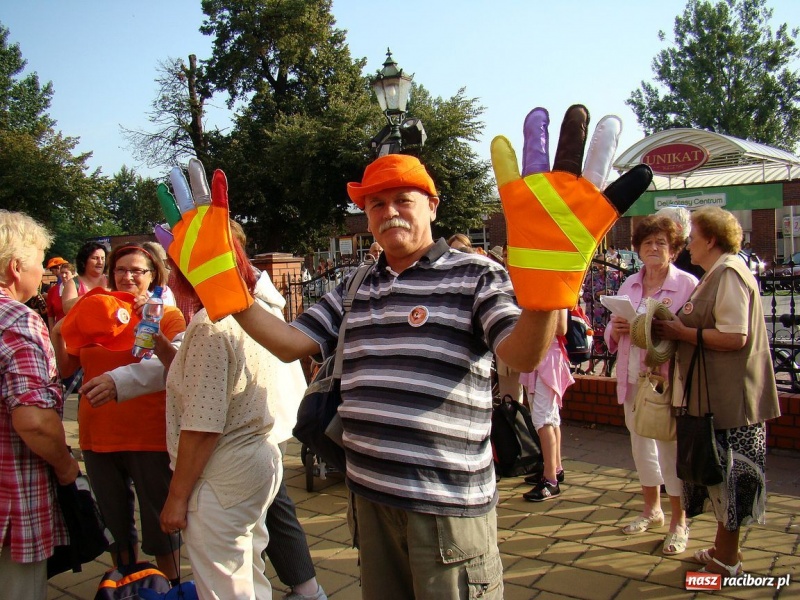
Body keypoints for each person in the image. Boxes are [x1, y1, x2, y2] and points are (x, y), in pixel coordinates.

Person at [164, 154, 560, 599]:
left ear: (433, 205)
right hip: (369, 496)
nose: (389, 211)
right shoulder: (356, 283)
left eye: (402, 200)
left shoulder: (476, 275)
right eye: (376, 204)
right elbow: (289, 343)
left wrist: (547, 294)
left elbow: (523, 355)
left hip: (445, 505)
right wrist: (226, 289)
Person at [82, 225, 327, 600]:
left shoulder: (209, 326)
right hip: (253, 466)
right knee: (246, 571)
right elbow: (202, 374)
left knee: (224, 586)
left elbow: (202, 424)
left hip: (223, 477)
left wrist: (177, 498)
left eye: (174, 265)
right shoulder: (249, 311)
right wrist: (163, 346)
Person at [655, 206, 781, 576]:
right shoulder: (719, 272)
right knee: (722, 479)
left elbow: (734, 335)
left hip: (730, 403)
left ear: (711, 239)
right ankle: (725, 551)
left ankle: (728, 562)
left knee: (728, 478)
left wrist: (681, 333)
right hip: (721, 399)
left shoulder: (728, 273)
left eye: (692, 238)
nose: (688, 246)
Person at [52, 243, 185, 583]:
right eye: (120, 270)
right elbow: (68, 367)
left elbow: (178, 371)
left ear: (153, 275)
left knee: (160, 520)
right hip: (98, 433)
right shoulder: (95, 312)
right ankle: (127, 581)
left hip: (148, 433)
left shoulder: (169, 317)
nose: (127, 276)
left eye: (137, 270)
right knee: (115, 521)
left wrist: (149, 322)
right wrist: (61, 330)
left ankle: (169, 585)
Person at [604, 215, 697, 555]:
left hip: (665, 383)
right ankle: (651, 510)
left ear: (674, 249)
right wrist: (616, 328)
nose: (654, 248)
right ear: (638, 249)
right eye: (647, 243)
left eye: (661, 243)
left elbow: (686, 335)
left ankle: (679, 522)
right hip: (631, 380)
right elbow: (610, 334)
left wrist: (647, 329)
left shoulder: (687, 284)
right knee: (641, 449)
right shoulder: (629, 283)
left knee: (670, 454)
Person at [0, 210, 80, 600]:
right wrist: (67, 467)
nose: (43, 274)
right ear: (16, 267)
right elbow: (33, 420)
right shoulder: (16, 320)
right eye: (37, 262)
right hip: (11, 502)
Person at [519, 309, 572, 501]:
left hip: (547, 357)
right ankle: (555, 469)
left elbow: (561, 327)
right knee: (551, 418)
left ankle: (550, 481)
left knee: (543, 420)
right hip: (538, 355)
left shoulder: (554, 289)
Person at [61, 241, 108, 313]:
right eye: (95, 258)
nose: (100, 262)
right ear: (84, 261)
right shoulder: (73, 283)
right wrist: (95, 296)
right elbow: (67, 308)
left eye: (103, 258)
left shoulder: (112, 280)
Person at [45, 261, 75, 331]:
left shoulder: (79, 289)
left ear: (73, 274)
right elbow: (50, 314)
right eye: (62, 273)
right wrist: (52, 331)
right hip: (59, 331)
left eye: (66, 273)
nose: (63, 275)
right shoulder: (53, 291)